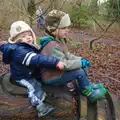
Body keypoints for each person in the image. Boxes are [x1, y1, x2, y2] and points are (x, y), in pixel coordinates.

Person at [0, 21, 65, 118]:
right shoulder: (20, 51)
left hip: (27, 71)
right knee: (34, 87)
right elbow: (36, 59)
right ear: (15, 39)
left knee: (39, 81)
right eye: (23, 36)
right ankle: (40, 107)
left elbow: (5, 46)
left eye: (29, 34)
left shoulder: (24, 46)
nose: (28, 37)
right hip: (23, 76)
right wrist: (55, 62)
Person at [39, 10, 107, 103]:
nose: (67, 30)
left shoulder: (59, 40)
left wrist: (81, 60)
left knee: (81, 67)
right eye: (64, 28)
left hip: (57, 72)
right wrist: (79, 63)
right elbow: (64, 64)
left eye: (68, 27)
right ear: (54, 29)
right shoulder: (52, 45)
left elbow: (68, 55)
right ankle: (89, 93)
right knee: (79, 71)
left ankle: (87, 85)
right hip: (51, 76)